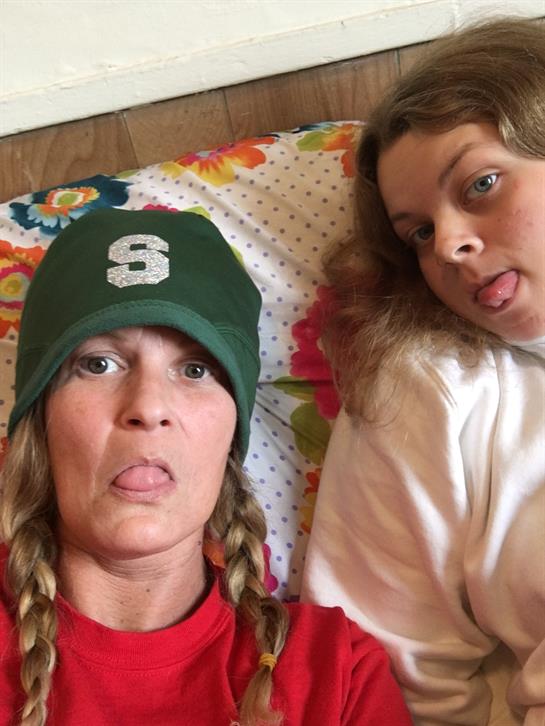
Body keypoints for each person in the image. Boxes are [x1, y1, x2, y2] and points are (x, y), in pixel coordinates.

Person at [0, 208, 411, 726]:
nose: (148, 407)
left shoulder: (335, 673)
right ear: (39, 419)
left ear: (231, 434)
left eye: (195, 369)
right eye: (98, 363)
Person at [301, 16, 545, 726]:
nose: (448, 245)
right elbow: (380, 670)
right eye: (418, 233)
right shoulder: (430, 386)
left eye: (480, 185)